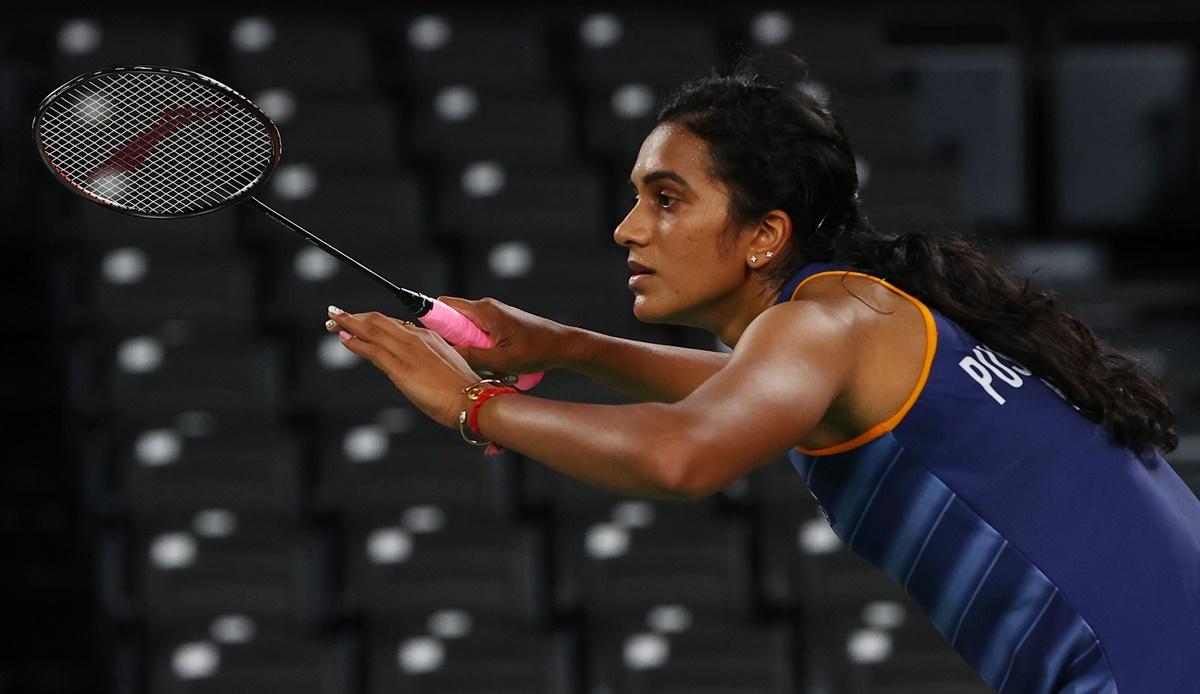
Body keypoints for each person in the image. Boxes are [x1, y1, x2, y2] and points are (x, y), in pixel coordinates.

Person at [324, 52, 1200, 693]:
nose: (629, 229)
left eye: (666, 199)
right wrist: (569, 347)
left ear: (765, 234)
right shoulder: (858, 317)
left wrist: (471, 406)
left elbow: (685, 456)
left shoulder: (829, 320)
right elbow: (744, 399)